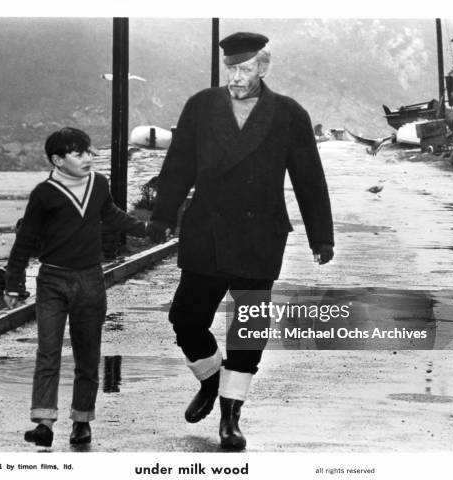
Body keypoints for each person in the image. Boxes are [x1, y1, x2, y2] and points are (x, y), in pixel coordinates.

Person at [147, 32, 334, 450]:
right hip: (205, 231)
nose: (236, 76)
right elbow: (178, 164)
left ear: (263, 68)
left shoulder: (288, 114)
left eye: (245, 69)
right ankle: (212, 379)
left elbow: (308, 177)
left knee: (248, 327)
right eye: (231, 68)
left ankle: (230, 417)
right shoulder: (201, 105)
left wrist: (321, 236)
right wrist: (162, 216)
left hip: (259, 235)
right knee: (186, 319)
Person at [4, 127, 147, 448]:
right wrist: (13, 282)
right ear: (57, 159)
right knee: (48, 353)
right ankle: (43, 422)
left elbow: (110, 214)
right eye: (78, 153)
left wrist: (147, 229)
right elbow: (26, 239)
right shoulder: (44, 193)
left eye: (88, 151)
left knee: (87, 355)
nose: (87, 158)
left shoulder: (99, 184)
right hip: (52, 281)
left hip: (90, 281)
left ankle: (82, 422)